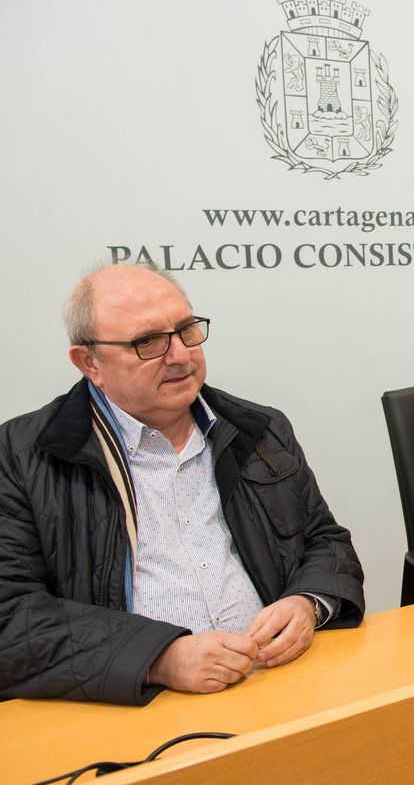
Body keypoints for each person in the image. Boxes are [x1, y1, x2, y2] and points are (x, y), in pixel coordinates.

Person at [0, 263, 365, 704]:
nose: (180, 355)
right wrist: (158, 657)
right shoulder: (22, 457)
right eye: (147, 342)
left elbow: (326, 542)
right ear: (89, 362)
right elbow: (12, 617)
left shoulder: (260, 429)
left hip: (277, 681)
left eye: (187, 330)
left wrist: (308, 602)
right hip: (133, 700)